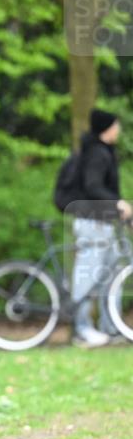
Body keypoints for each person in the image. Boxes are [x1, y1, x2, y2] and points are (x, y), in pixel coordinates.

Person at [70, 109, 131, 348]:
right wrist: (118, 203)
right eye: (117, 125)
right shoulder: (97, 153)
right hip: (92, 224)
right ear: (107, 128)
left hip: (103, 223)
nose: (119, 129)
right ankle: (82, 330)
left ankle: (111, 328)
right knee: (87, 276)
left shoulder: (103, 152)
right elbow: (93, 186)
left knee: (112, 275)